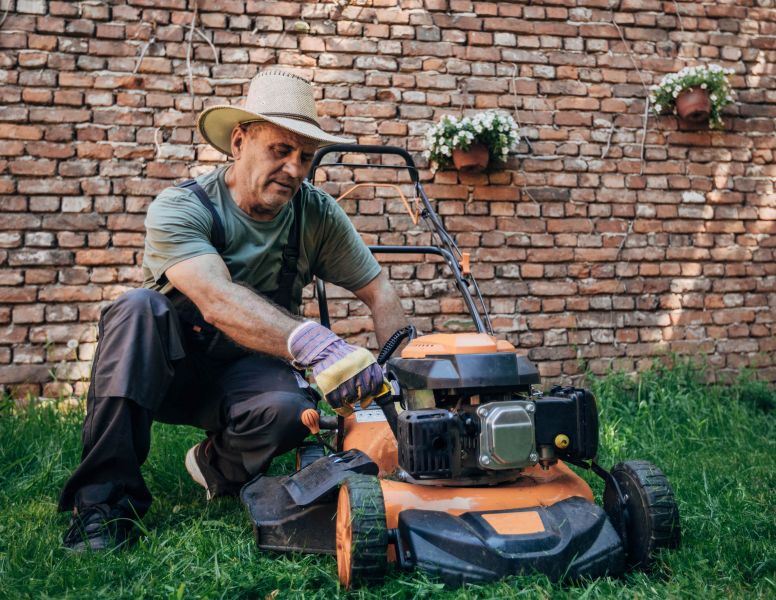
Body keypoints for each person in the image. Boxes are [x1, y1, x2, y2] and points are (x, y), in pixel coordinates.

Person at [58, 69, 408, 552]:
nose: (295, 169)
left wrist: (398, 385)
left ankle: (215, 465)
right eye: (280, 151)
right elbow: (217, 299)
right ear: (239, 141)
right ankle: (102, 505)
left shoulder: (316, 214)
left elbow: (380, 292)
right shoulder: (182, 206)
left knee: (291, 410)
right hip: (162, 372)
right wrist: (316, 345)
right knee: (137, 309)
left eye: (306, 157)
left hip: (249, 370)